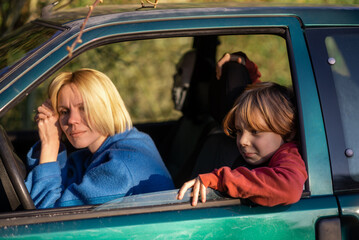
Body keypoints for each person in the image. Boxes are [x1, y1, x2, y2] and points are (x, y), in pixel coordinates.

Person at [25, 68, 174, 209]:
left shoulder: (118, 167)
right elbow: (63, 180)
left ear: (105, 107)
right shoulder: (109, 148)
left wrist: (50, 144)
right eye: (64, 111)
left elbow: (46, 221)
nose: (71, 120)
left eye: (83, 108)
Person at [177, 82, 308, 207]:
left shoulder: (289, 154)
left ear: (289, 132)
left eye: (255, 131)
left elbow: (288, 188)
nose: (242, 141)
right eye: (239, 131)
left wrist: (220, 179)